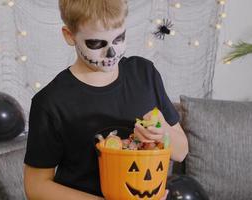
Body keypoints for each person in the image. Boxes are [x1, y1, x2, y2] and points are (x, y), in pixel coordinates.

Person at [23, 0, 189, 199]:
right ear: (70, 36)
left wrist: (163, 133)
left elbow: (181, 152)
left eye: (119, 38)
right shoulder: (51, 101)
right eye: (96, 43)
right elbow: (36, 186)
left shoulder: (144, 74)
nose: (112, 52)